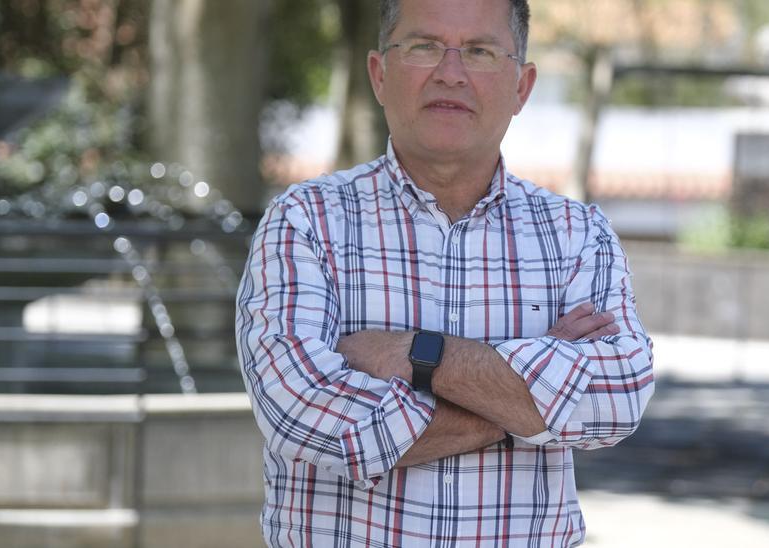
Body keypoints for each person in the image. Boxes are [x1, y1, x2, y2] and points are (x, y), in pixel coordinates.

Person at [235, 0, 654, 545]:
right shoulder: (305, 223)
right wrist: (527, 404)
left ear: (522, 87)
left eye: (479, 51)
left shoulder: (578, 235)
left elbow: (616, 398)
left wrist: (417, 353)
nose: (450, 72)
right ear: (379, 74)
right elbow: (305, 418)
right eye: (424, 47)